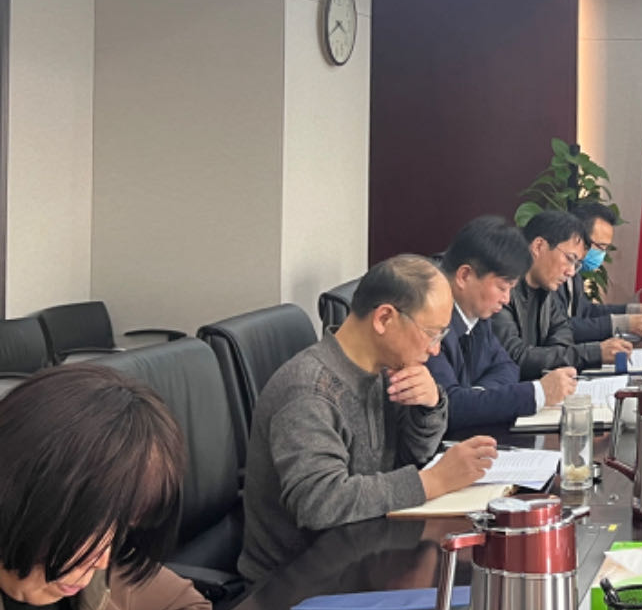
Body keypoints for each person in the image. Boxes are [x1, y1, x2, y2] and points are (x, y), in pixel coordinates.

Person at [0, 367, 213, 610]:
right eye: (93, 526)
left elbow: (191, 609)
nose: (103, 559)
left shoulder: (98, 572)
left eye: (122, 528)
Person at [239, 254, 500, 582]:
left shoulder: (384, 368)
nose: (435, 350)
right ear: (384, 318)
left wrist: (428, 406)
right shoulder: (308, 391)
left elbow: (411, 456)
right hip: (298, 583)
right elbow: (321, 503)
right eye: (432, 334)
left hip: (365, 552)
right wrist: (434, 481)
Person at [432, 216, 578, 433]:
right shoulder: (430, 325)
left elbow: (507, 367)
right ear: (464, 276)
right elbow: (448, 407)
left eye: (511, 289)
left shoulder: (479, 317)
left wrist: (477, 397)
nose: (507, 299)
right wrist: (538, 393)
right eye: (502, 287)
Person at [496, 209, 615, 377]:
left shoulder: (547, 289)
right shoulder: (501, 289)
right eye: (569, 259)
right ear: (539, 246)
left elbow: (563, 337)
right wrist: (593, 353)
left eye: (576, 264)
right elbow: (514, 358)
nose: (571, 272)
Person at [560, 202, 642, 342]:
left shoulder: (575, 272)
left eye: (606, 248)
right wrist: (622, 324)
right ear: (578, 238)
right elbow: (561, 329)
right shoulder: (554, 275)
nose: (602, 254)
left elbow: (587, 311)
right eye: (600, 247)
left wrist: (636, 310)